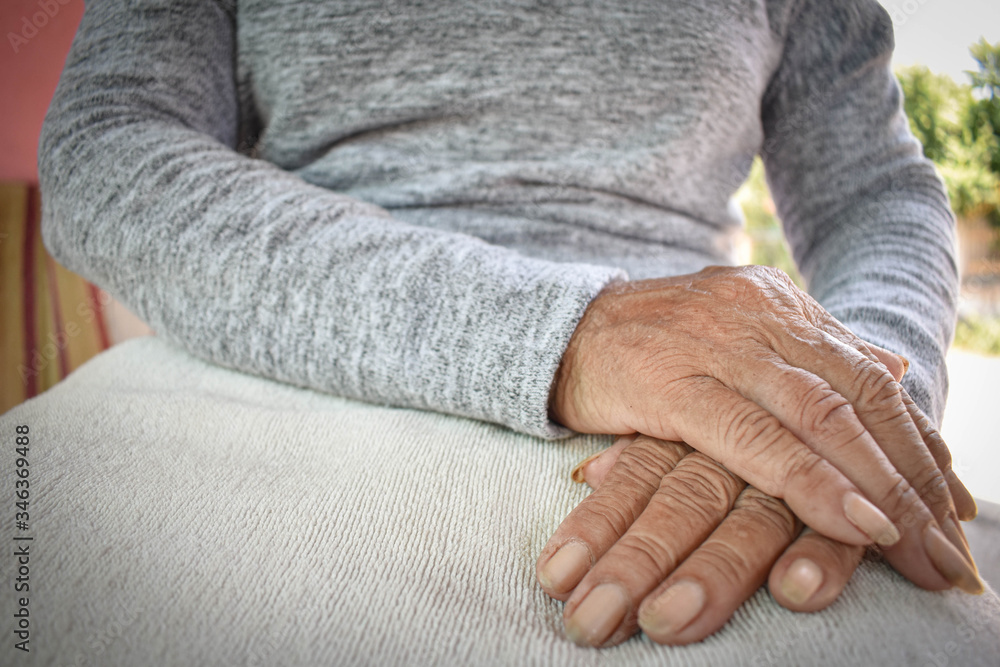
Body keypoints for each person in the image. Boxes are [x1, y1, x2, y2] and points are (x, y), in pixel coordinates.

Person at [38, 0, 981, 650]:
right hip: (280, 358)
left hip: (713, 408)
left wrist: (845, 398)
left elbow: (877, 191)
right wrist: (574, 332)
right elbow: (105, 146)